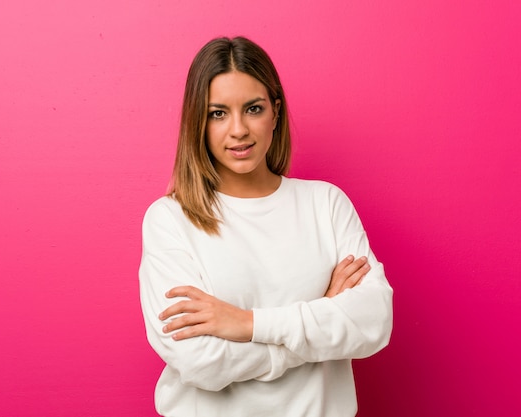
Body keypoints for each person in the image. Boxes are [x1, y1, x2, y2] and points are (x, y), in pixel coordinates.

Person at [139, 36, 393, 417]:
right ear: (198, 121)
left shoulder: (324, 203)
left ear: (275, 111)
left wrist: (246, 323)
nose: (238, 129)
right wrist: (322, 316)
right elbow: (198, 361)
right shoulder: (171, 218)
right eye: (217, 113)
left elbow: (373, 322)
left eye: (253, 108)